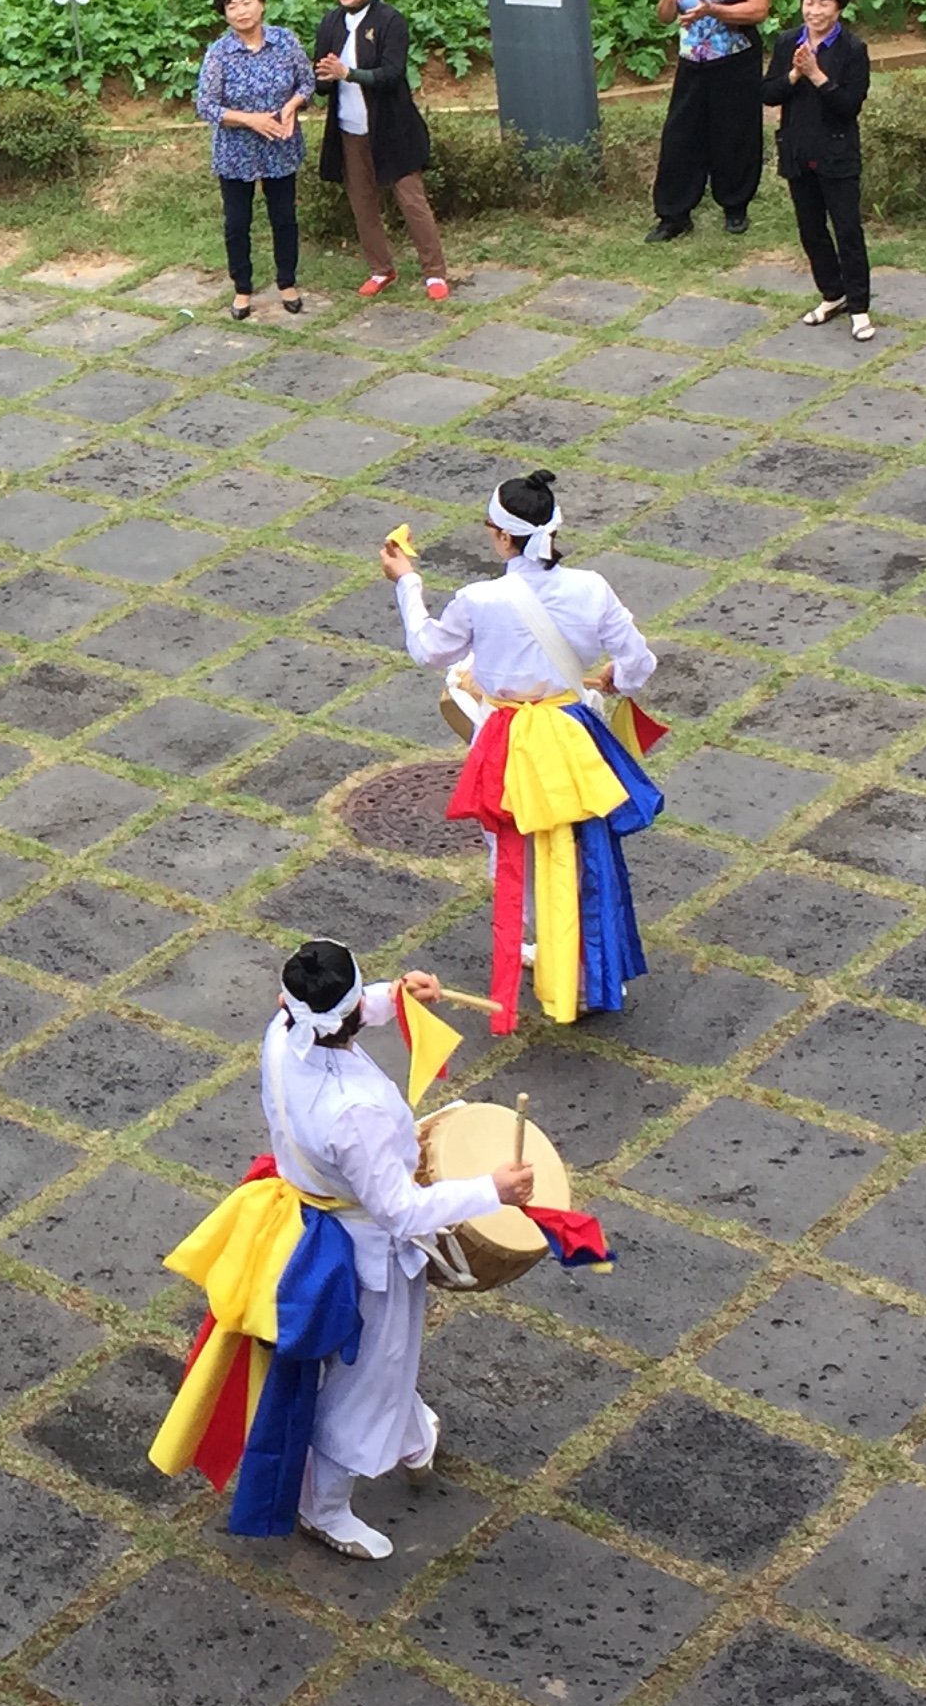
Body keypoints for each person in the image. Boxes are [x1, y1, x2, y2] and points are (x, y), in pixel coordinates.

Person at [148, 940, 538, 1557]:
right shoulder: (354, 1114)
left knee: (381, 1363)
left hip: (303, 1221)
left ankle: (410, 1434)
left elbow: (343, 1016)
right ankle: (323, 1508)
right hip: (363, 1255)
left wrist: (397, 996)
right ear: (351, 1009)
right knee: (364, 1381)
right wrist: (493, 1190)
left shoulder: (281, 1034)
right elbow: (402, 1211)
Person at [383, 472, 663, 1035]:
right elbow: (639, 663)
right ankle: (588, 966)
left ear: (502, 538)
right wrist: (615, 680)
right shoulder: (591, 587)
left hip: (509, 739)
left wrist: (406, 581)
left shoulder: (480, 599)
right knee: (587, 847)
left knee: (516, 854)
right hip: (573, 730)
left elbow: (429, 648)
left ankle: (551, 954)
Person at [312, 0, 448, 303]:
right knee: (362, 200)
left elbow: (392, 73)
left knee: (411, 199)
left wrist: (349, 73)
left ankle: (434, 272)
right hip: (348, 129)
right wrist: (323, 78)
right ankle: (381, 268)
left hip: (392, 127)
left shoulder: (389, 21)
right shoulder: (330, 22)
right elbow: (323, 81)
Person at [646, 0, 771, 242]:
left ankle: (735, 206)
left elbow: (758, 9)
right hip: (692, 63)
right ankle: (674, 215)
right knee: (680, 137)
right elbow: (665, 17)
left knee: (734, 133)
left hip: (734, 62)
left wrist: (714, 9)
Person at [762, 0, 874, 341]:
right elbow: (768, 93)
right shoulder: (787, 42)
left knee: (847, 230)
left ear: (838, 7)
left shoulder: (853, 50)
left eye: (823, 3)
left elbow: (848, 106)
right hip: (798, 149)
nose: (814, 11)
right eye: (809, 2)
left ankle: (859, 307)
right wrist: (794, 74)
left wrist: (816, 75)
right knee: (811, 230)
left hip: (837, 152)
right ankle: (832, 293)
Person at [196, 0, 313, 320]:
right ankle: (242, 288)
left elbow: (307, 83)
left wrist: (291, 107)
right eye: (232, 6)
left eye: (247, 2)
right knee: (237, 222)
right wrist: (250, 120)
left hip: (280, 144)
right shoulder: (219, 54)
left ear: (261, 3)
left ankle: (287, 282)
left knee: (284, 218)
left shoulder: (285, 41)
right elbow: (206, 106)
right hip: (236, 152)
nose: (241, 11)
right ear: (225, 14)